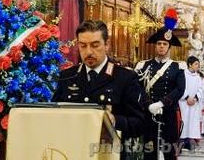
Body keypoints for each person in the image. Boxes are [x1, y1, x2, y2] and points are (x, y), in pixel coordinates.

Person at [52, 20, 145, 158]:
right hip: (73, 151)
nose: (88, 52)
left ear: (106, 45)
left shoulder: (125, 77)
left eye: (95, 45)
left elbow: (140, 123)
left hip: (108, 153)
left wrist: (114, 121)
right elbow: (55, 115)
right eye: (83, 46)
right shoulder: (68, 76)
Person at [135, 23, 186, 160]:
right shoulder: (143, 65)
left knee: (170, 151)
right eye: (159, 43)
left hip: (168, 114)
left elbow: (180, 89)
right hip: (149, 114)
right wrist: (149, 105)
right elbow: (137, 88)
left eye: (164, 44)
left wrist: (161, 103)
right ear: (155, 46)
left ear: (169, 47)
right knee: (149, 150)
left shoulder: (178, 67)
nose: (161, 46)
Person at [178, 56, 204, 150]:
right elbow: (180, 87)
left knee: (192, 122)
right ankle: (181, 141)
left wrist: (196, 98)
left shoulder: (198, 77)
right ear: (190, 64)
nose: (198, 66)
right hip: (184, 103)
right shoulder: (182, 75)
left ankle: (188, 141)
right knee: (184, 121)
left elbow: (201, 89)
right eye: (196, 64)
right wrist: (187, 98)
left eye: (198, 64)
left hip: (194, 103)